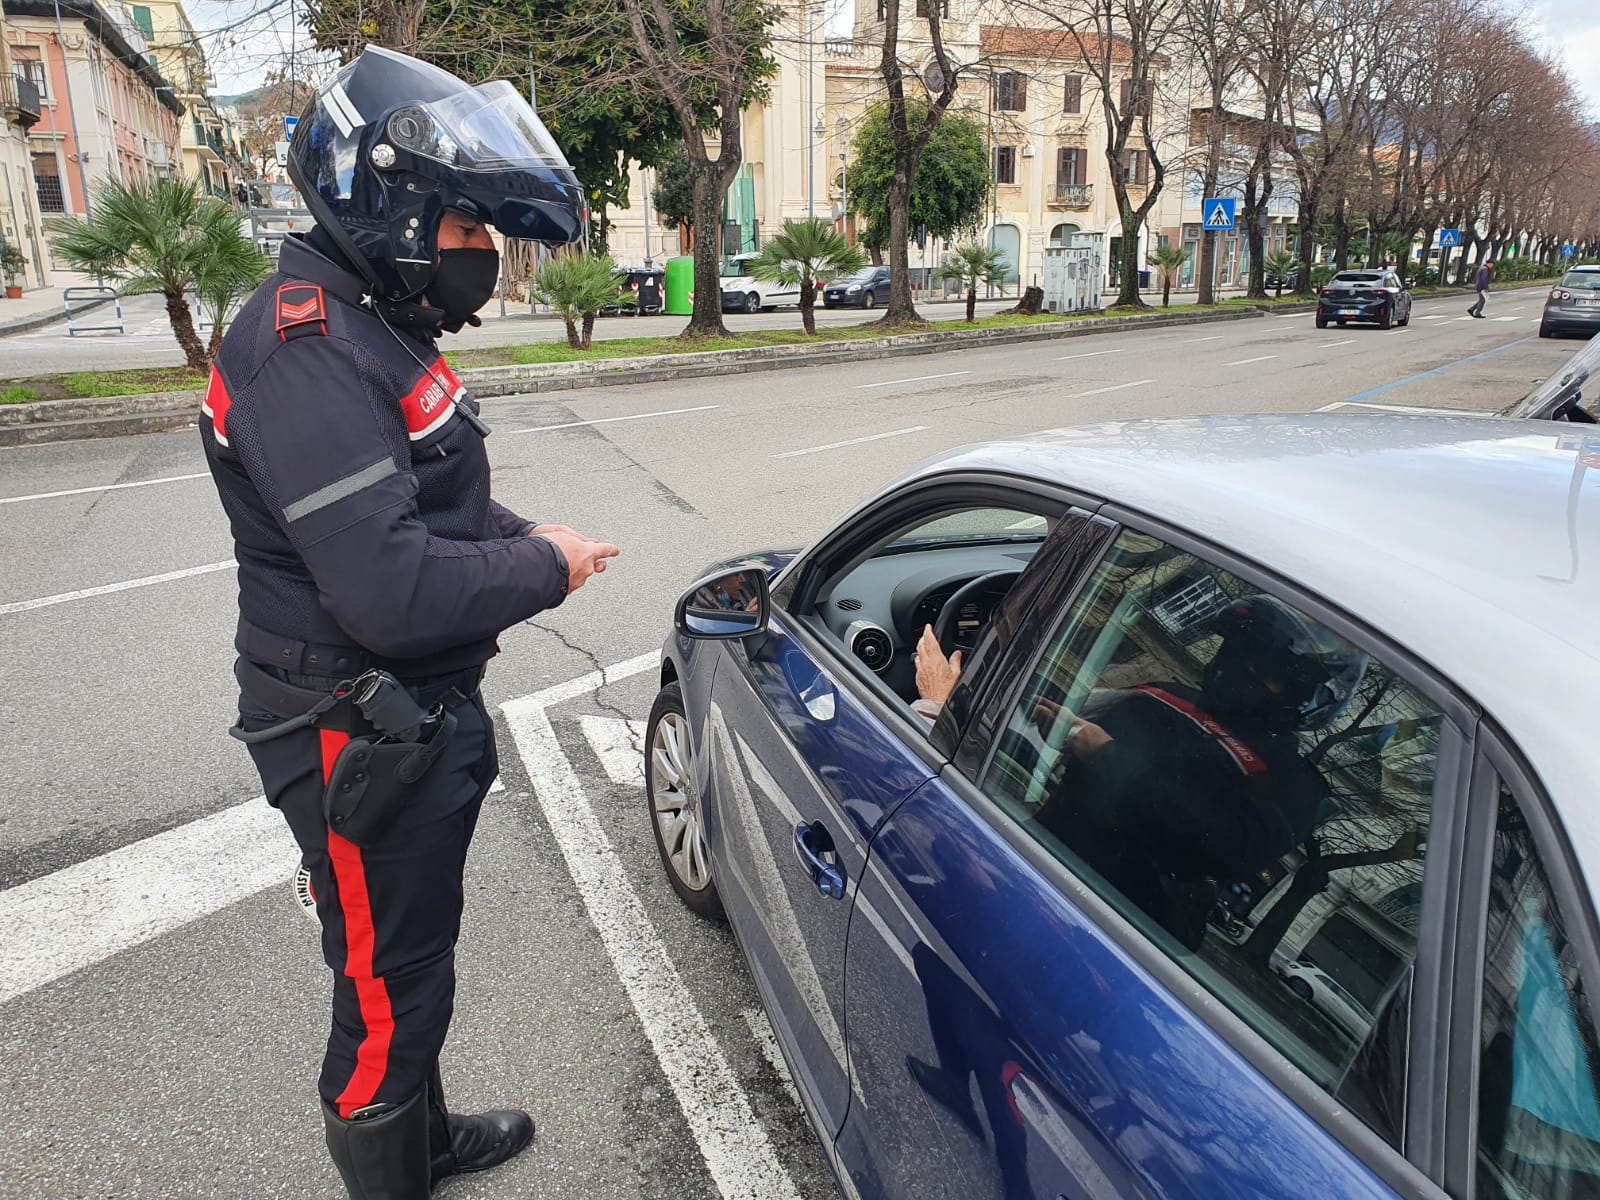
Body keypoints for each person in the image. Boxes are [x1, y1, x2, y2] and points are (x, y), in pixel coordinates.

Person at [199, 47, 618, 1199]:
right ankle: (390, 1168)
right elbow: (385, 588)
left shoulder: (364, 320)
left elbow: (432, 497)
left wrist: (523, 530)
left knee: (405, 956)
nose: (479, 253)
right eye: (465, 227)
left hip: (402, 714)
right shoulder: (306, 349)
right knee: (386, 985)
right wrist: (542, 564)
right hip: (353, 723)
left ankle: (423, 1145)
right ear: (386, 204)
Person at [914, 596, 1365, 947]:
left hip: (1115, 930)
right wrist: (958, 701)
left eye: (1262, 669)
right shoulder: (1162, 695)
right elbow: (1045, 715)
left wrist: (1108, 758)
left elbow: (1225, 849)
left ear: (1306, 696)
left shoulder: (1290, 780)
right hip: (1024, 865)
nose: (1232, 667)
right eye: (1233, 650)